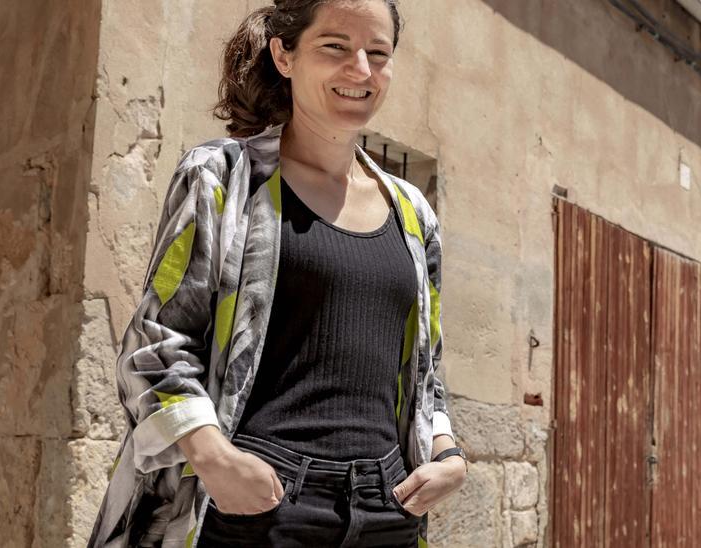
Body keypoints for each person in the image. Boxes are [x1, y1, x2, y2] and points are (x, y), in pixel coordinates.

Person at [88, 1, 465, 545]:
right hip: (257, 504)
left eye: (378, 53)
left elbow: (425, 373)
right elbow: (157, 341)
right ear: (284, 55)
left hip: (388, 510)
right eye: (335, 46)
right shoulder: (222, 178)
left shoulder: (414, 214)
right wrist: (213, 457)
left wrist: (446, 454)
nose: (360, 69)